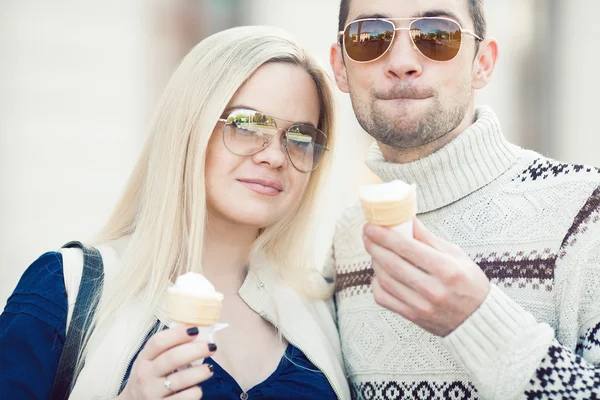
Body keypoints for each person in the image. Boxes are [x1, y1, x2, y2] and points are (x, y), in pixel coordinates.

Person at [0, 26, 350, 400]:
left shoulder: (323, 310)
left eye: (300, 137)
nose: (275, 156)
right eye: (247, 124)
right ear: (189, 128)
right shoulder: (65, 288)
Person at [328, 0, 600, 399]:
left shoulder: (586, 212)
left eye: (437, 35)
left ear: (483, 62)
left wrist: (478, 319)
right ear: (339, 66)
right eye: (370, 37)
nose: (402, 61)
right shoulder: (347, 240)